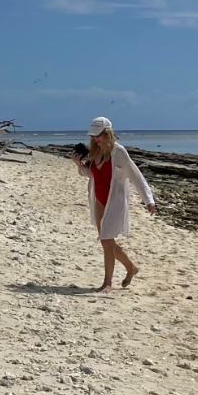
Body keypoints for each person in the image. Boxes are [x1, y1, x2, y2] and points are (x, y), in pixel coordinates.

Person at [69, 116, 157, 292]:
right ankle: (131, 268)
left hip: (115, 201)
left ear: (107, 133)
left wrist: (148, 199)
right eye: (93, 135)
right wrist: (78, 164)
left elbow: (135, 175)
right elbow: (91, 174)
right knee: (106, 241)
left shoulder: (119, 152)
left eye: (98, 135)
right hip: (99, 200)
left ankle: (107, 283)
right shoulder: (94, 152)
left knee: (107, 239)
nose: (95, 138)